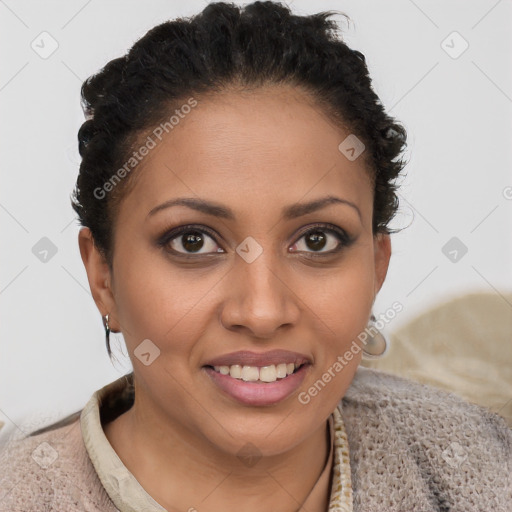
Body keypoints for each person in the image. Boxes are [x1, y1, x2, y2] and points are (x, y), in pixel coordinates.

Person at [0, 2, 510, 511]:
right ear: (102, 274)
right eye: (193, 241)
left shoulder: (484, 465)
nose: (263, 312)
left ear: (378, 266)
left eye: (317, 240)